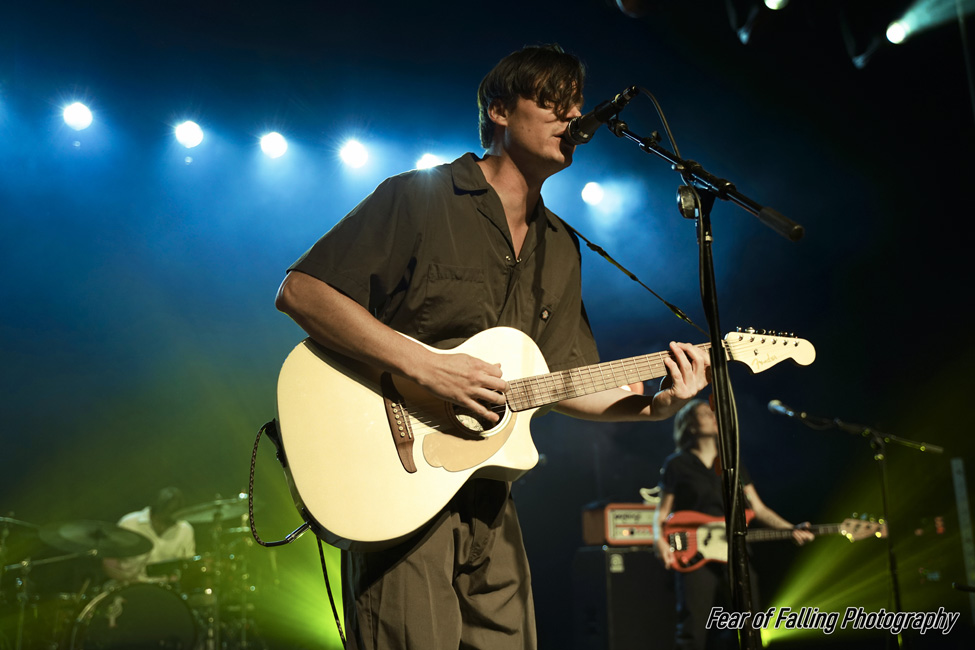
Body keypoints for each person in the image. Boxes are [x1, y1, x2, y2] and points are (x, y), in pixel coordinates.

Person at [275, 44, 710, 650]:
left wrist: (658, 408)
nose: (573, 118)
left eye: (576, 105)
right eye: (552, 103)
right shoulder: (420, 196)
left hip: (491, 502)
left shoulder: (560, 246)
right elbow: (301, 291)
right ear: (500, 110)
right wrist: (431, 368)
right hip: (398, 487)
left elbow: (562, 380)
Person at [652, 399, 814, 649]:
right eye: (704, 413)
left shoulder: (733, 463)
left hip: (735, 552)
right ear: (690, 426)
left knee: (749, 625)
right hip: (694, 555)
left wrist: (790, 529)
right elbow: (661, 513)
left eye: (713, 412)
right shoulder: (677, 464)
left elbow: (758, 509)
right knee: (692, 629)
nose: (713, 416)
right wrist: (659, 540)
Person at [102, 486, 196, 585]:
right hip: (129, 585)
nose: (171, 519)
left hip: (166, 588)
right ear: (155, 510)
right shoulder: (129, 523)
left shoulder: (185, 529)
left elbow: (188, 564)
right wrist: (122, 577)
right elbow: (108, 559)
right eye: (167, 513)